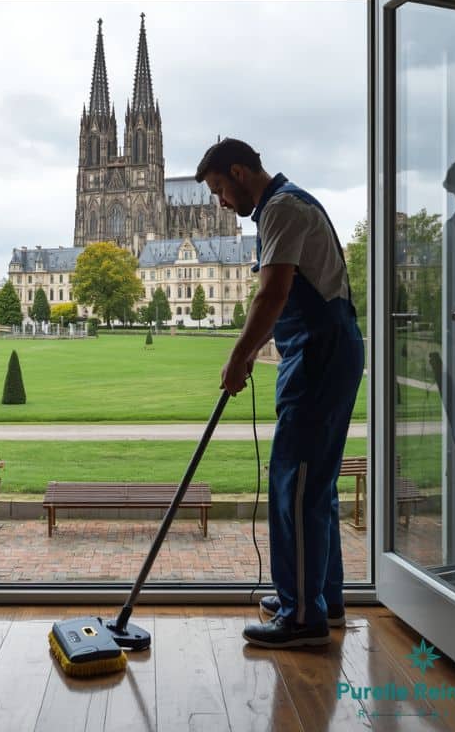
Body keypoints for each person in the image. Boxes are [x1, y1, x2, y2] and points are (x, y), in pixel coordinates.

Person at [195, 138, 364, 648]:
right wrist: (251, 350)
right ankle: (321, 599)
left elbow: (273, 292)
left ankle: (301, 617)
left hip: (318, 355)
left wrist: (238, 355)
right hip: (323, 352)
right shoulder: (287, 205)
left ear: (239, 173)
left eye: (220, 189)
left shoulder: (281, 210)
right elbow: (281, 298)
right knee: (317, 485)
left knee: (296, 484)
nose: (221, 202)